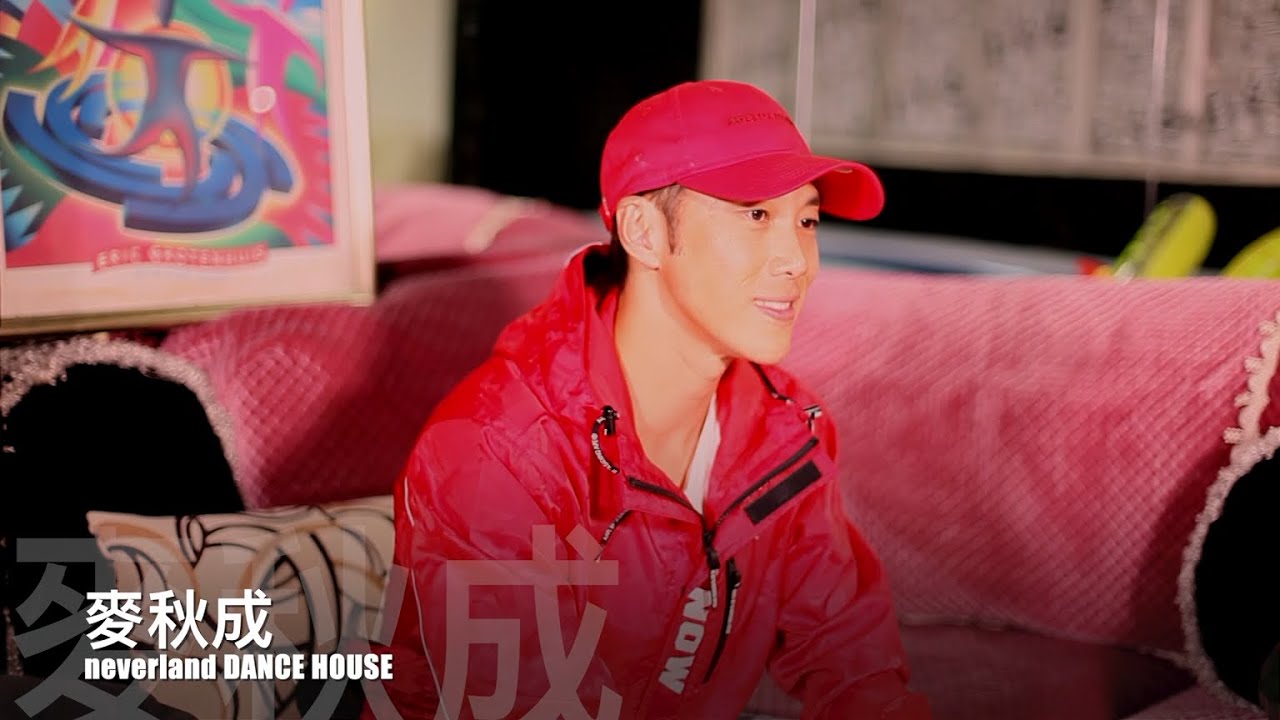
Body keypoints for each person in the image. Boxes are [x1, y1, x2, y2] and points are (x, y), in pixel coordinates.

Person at [362, 79, 932, 720]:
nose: (797, 260)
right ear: (643, 232)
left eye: (806, 220)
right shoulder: (499, 451)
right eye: (755, 216)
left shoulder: (783, 433)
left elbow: (853, 665)